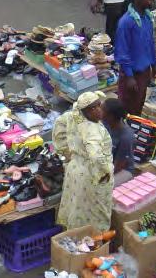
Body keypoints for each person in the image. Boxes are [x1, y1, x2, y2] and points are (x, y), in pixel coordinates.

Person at [57, 91, 114, 231]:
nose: (100, 110)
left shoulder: (73, 116)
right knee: (96, 212)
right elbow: (95, 155)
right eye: (95, 108)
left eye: (99, 105)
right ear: (88, 111)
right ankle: (95, 240)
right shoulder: (92, 129)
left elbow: (58, 129)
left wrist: (66, 153)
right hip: (92, 174)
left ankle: (73, 237)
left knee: (76, 206)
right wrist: (104, 172)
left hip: (75, 169)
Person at [115, 0, 156, 116]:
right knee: (127, 106)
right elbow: (122, 52)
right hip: (132, 74)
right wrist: (129, 76)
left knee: (139, 104)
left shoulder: (147, 17)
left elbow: (150, 43)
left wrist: (154, 64)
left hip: (145, 71)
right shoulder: (126, 23)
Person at [102, 97, 135, 186]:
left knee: (102, 187)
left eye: (102, 110)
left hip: (122, 169)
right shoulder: (106, 123)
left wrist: (103, 176)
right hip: (107, 162)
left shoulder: (126, 137)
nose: (99, 112)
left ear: (111, 116)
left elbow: (119, 165)